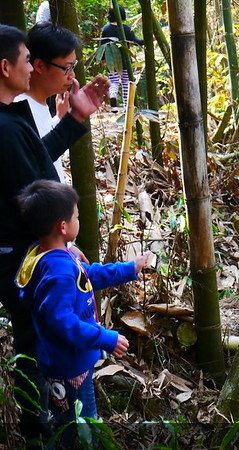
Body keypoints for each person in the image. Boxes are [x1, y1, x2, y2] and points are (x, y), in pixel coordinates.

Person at [0, 24, 108, 443]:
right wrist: (60, 243)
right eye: (27, 59)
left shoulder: (12, 116)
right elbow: (33, 193)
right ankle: (44, 427)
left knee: (38, 332)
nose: (32, 66)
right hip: (22, 251)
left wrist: (76, 117)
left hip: (32, 246)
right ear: (6, 66)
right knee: (36, 335)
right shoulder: (6, 126)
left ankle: (48, 422)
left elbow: (37, 164)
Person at [15, 180, 150, 444]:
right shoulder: (59, 271)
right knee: (83, 424)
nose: (79, 219)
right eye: (76, 216)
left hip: (63, 360)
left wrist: (129, 268)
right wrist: (104, 338)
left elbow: (88, 275)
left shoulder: (47, 254)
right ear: (63, 226)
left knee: (67, 419)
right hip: (68, 366)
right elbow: (61, 322)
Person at [15, 22, 81, 183]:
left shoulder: (40, 103)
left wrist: (60, 119)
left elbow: (46, 147)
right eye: (67, 68)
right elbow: (34, 164)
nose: (72, 75)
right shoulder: (18, 111)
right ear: (39, 65)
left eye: (74, 66)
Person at [100, 5, 143, 107]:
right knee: (126, 83)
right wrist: (148, 40)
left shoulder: (106, 29)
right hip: (125, 60)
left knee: (113, 81)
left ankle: (113, 95)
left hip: (112, 61)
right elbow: (136, 42)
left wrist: (102, 59)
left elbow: (102, 45)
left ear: (109, 15)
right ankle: (126, 107)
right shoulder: (127, 29)